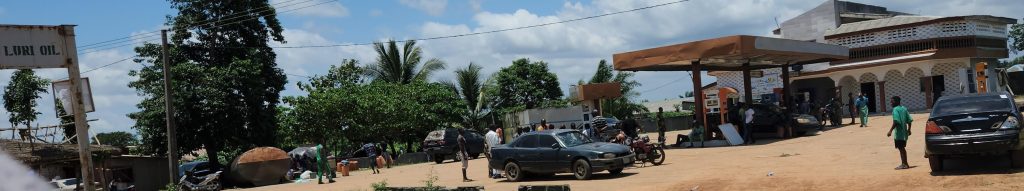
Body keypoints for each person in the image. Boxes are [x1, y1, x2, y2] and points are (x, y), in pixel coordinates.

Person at [887, 96, 913, 170]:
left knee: (901, 148)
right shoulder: (904, 108)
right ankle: (905, 163)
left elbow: (896, 121)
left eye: (892, 101)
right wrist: (909, 129)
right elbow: (909, 120)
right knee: (902, 148)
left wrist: (890, 130)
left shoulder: (895, 110)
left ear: (896, 102)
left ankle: (904, 164)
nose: (891, 103)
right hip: (904, 132)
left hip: (899, 133)